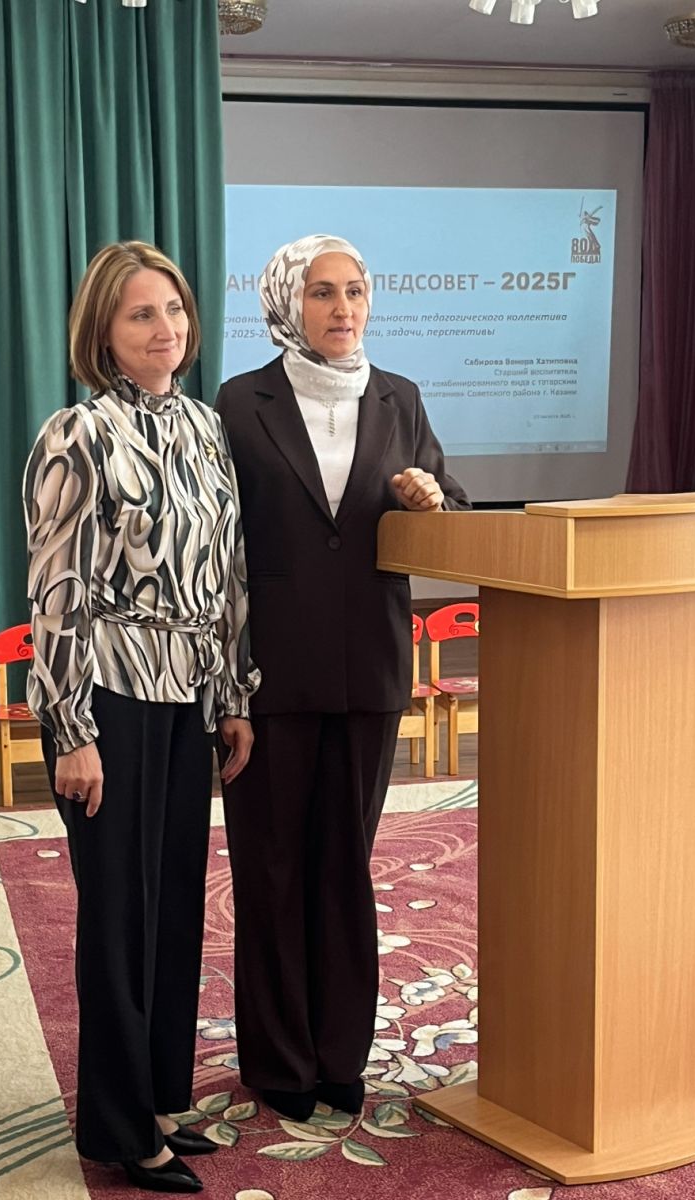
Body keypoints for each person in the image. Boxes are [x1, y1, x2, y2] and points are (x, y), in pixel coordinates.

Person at [215, 233, 470, 1121]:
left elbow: (448, 501)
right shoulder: (239, 402)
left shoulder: (400, 397)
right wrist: (228, 677)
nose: (342, 308)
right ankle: (279, 1060)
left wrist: (429, 499)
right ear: (287, 301)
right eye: (322, 292)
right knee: (271, 868)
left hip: (369, 669)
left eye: (355, 290)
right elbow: (220, 546)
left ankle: (339, 1054)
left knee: (344, 868)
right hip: (269, 675)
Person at [24, 241, 259, 1193]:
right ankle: (119, 1129)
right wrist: (70, 728)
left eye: (175, 310)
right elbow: (56, 590)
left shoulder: (205, 428)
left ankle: (161, 1097)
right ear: (103, 332)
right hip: (107, 697)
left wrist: (233, 696)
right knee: (119, 919)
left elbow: (229, 573)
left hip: (188, 693)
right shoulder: (77, 434)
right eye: (141, 314)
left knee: (172, 909)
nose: (166, 329)